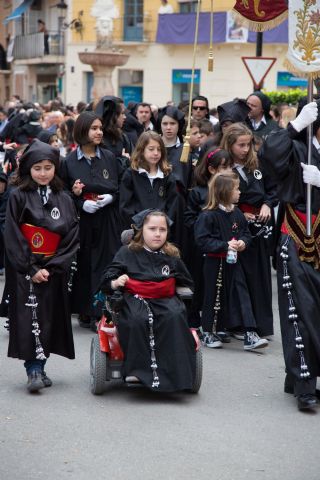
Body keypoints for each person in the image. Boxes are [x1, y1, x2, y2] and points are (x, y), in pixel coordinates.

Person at [4, 139, 79, 393]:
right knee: (30, 317)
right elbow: (12, 232)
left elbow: (71, 236)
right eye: (38, 168)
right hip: (27, 267)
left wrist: (54, 265)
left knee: (49, 318)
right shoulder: (18, 196)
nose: (43, 173)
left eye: (48, 167)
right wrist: (31, 268)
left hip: (53, 267)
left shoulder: (64, 198)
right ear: (28, 169)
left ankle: (42, 366)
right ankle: (33, 369)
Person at [260, 99, 320, 411]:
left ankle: (300, 375)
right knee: (300, 309)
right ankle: (303, 383)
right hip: (298, 233)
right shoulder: (297, 146)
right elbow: (267, 157)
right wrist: (294, 127)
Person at [100, 209, 196, 391]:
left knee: (175, 316)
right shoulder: (127, 252)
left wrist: (181, 289)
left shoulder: (172, 255)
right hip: (135, 298)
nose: (158, 234)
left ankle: (176, 373)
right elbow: (107, 277)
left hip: (166, 299)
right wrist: (116, 282)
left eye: (162, 229)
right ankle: (136, 372)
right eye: (152, 229)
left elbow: (187, 282)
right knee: (137, 319)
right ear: (140, 230)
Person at [61, 111, 122, 330]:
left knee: (105, 262)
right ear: (82, 130)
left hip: (106, 218)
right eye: (94, 128)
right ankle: (85, 310)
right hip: (83, 220)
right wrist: (78, 201)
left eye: (100, 128)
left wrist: (111, 197)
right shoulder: (69, 162)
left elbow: (119, 184)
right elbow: (63, 193)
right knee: (84, 263)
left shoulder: (108, 157)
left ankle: (101, 311)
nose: (99, 132)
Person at [194, 173, 268, 350]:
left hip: (234, 262)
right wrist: (224, 245)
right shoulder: (208, 215)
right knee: (214, 296)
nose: (240, 192)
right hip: (214, 263)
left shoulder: (237, 213)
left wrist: (243, 242)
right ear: (225, 191)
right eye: (236, 189)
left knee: (242, 294)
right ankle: (210, 331)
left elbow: (246, 233)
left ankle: (250, 332)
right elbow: (202, 240)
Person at [221, 122, 277, 338]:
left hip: (260, 225)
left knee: (259, 275)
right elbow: (219, 196)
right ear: (230, 144)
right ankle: (238, 324)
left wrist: (267, 204)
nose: (245, 149)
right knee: (238, 276)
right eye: (241, 145)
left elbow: (273, 189)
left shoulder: (258, 164)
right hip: (236, 225)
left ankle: (260, 324)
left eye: (248, 145)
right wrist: (238, 213)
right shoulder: (224, 167)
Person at [184, 147, 233, 331]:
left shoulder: (229, 191)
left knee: (220, 285)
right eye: (223, 167)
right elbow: (189, 218)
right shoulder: (198, 192)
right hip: (202, 246)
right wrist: (205, 226)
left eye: (230, 167)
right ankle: (195, 317)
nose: (228, 172)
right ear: (212, 169)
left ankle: (219, 322)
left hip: (223, 245)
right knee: (199, 281)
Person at [119, 131, 178, 231]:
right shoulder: (131, 174)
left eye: (159, 150)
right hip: (138, 230)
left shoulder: (167, 175)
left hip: (161, 229)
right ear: (141, 150)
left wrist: (164, 225)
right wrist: (137, 225)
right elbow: (125, 205)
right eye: (151, 149)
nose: (156, 153)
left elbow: (172, 204)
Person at [95, 96, 132, 175]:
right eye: (122, 113)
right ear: (112, 116)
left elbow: (134, 160)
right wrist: (124, 160)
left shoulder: (122, 136)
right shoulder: (96, 139)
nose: (125, 117)